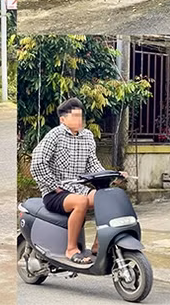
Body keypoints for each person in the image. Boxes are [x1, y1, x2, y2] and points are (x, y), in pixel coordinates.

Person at [30, 98, 126, 265]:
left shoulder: (87, 136)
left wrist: (113, 175)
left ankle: (98, 245)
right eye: (74, 116)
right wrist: (54, 186)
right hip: (54, 192)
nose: (79, 120)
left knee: (107, 198)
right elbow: (37, 163)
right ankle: (71, 249)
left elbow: (94, 165)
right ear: (63, 119)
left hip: (78, 189)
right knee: (81, 202)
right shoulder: (55, 135)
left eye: (81, 116)